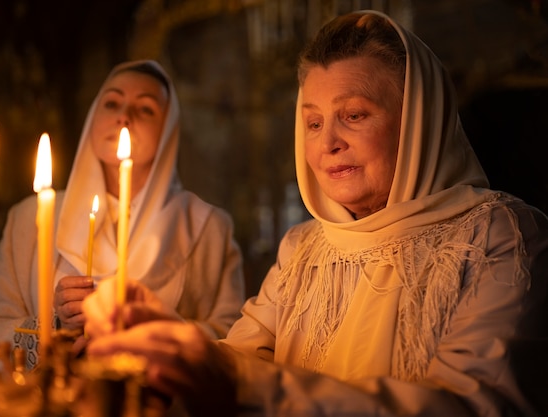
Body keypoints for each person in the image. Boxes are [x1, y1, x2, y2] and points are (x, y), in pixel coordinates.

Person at [81, 10, 548, 417]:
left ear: (419, 124)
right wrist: (167, 340)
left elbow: (474, 406)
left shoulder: (501, 237)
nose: (327, 144)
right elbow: (244, 358)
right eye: (314, 122)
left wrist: (233, 382)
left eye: (355, 115)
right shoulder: (304, 248)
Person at [0, 60, 246, 370]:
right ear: (92, 119)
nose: (124, 117)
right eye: (112, 103)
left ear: (168, 130)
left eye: (145, 109)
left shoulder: (206, 227)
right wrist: (56, 326)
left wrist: (150, 331)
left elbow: (233, 342)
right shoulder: (29, 219)